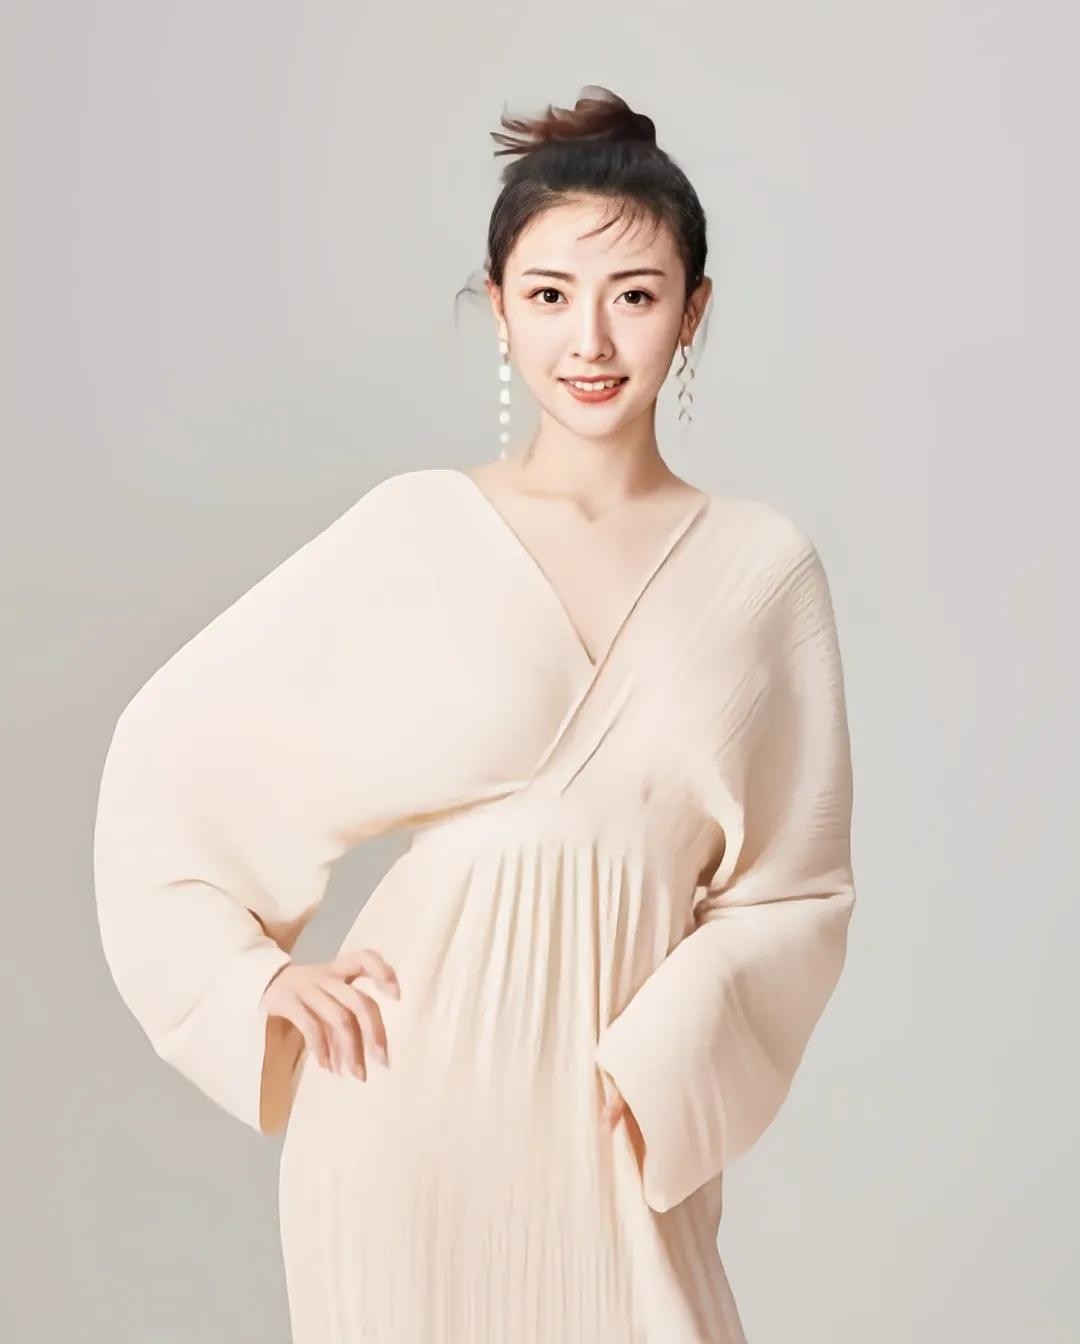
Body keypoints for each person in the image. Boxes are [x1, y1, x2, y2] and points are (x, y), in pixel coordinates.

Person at [93, 84, 857, 1344]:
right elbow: (171, 760)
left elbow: (795, 891)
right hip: (407, 1118)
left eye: (635, 295)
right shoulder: (418, 530)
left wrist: (664, 1063)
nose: (590, 338)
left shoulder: (761, 570)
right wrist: (252, 978)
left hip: (617, 1117)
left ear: (694, 312)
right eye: (550, 295)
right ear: (499, 309)